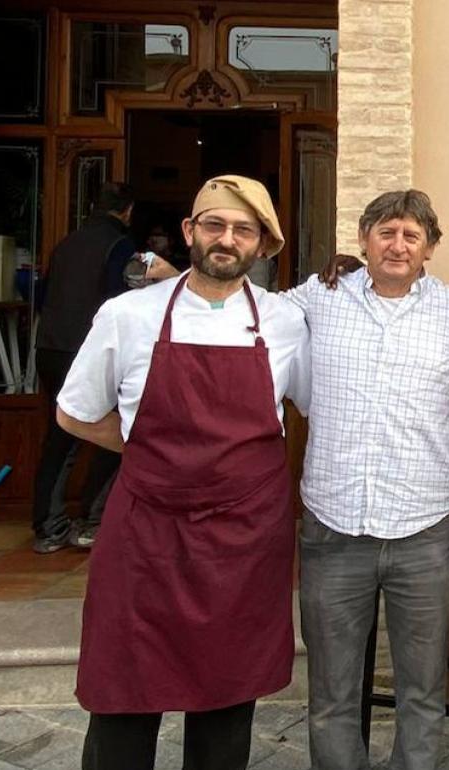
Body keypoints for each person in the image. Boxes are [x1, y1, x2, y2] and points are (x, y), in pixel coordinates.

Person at [55, 175, 310, 769]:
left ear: (262, 246)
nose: (228, 239)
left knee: (225, 701)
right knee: (123, 698)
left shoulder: (284, 322)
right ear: (190, 232)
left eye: (243, 230)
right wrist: (150, 449)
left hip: (242, 542)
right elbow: (74, 414)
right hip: (146, 534)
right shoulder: (127, 315)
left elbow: (314, 408)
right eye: (215, 225)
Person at [294, 189, 449, 770]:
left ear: (429, 249)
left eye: (411, 236)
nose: (398, 245)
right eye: (386, 232)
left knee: (422, 694)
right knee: (331, 696)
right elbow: (242, 307)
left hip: (423, 532)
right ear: (362, 239)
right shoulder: (318, 298)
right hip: (332, 529)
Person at [32, 183, 137, 552]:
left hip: (49, 346)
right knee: (114, 432)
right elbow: (117, 297)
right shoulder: (120, 246)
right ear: (127, 211)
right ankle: (91, 519)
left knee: (60, 435)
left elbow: (42, 295)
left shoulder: (66, 243)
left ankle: (48, 525)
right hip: (87, 350)